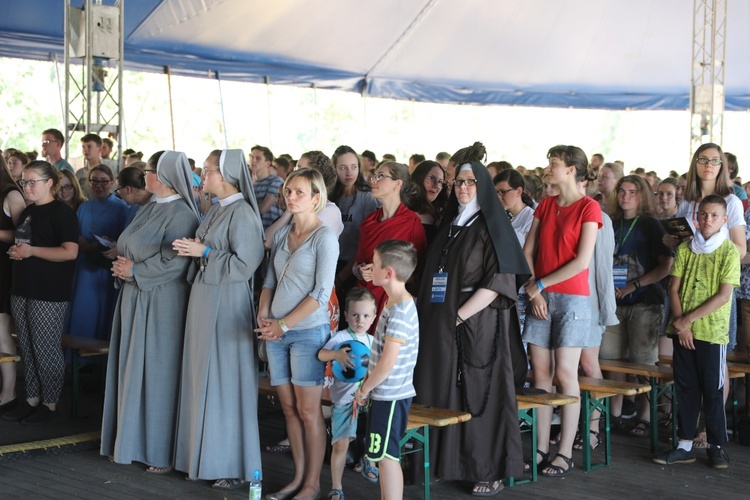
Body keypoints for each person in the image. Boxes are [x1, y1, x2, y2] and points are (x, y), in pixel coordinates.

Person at [414, 155, 530, 496]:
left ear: (482, 186)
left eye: (471, 182)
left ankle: (487, 469)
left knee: (481, 392)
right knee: (446, 388)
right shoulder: (450, 222)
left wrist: (460, 315)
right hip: (442, 320)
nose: (463, 188)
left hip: (478, 323)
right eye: (459, 182)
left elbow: (499, 280)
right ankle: (448, 463)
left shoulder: (493, 225)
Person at [100, 151, 200, 472]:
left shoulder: (182, 213)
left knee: (158, 372)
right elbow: (130, 246)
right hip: (135, 297)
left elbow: (176, 260)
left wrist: (136, 271)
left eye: (150, 171)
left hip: (161, 301)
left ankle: (159, 450)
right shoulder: (151, 207)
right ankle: (131, 441)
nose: (145, 177)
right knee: (133, 369)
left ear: (167, 175)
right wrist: (122, 265)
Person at [172, 149, 265, 490]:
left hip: (226, 301)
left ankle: (228, 461)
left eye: (208, 170)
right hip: (205, 295)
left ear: (224, 176)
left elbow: (246, 263)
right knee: (201, 375)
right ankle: (201, 456)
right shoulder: (216, 209)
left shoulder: (242, 213)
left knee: (224, 381)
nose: (202, 175)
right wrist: (195, 247)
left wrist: (206, 252)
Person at [256, 168, 338, 500]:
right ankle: (297, 479)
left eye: (299, 192)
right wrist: (264, 316)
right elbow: (269, 282)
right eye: (289, 191)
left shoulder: (325, 237)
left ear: (316, 198)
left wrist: (283, 324)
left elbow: (321, 293)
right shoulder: (284, 233)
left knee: (308, 410)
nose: (291, 197)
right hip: (275, 331)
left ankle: (312, 485)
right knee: (288, 409)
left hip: (306, 332)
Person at [522, 145, 602, 477]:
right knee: (541, 374)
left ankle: (565, 450)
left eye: (553, 164)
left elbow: (581, 262)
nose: (548, 169)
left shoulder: (589, 207)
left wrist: (539, 285)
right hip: (540, 295)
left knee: (566, 374)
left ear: (571, 169)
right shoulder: (545, 204)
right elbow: (528, 251)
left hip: (571, 299)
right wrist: (533, 288)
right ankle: (541, 447)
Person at [653, 195, 739, 469]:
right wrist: (681, 324)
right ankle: (684, 444)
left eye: (714, 216)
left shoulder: (729, 252)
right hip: (682, 331)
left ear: (724, 220)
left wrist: (687, 320)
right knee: (686, 389)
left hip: (711, 333)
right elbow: (673, 288)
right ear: (696, 217)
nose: (707, 220)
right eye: (703, 215)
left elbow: (723, 296)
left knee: (712, 390)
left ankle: (716, 446)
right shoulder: (687, 248)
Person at [2, 161, 79, 423]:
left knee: (46, 348)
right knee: (27, 346)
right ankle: (32, 399)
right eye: (24, 182)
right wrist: (18, 251)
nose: (26, 187)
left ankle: (51, 403)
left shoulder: (62, 214)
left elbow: (70, 252)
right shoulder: (27, 213)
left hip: (49, 290)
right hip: (23, 285)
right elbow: (25, 244)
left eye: (32, 182)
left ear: (49, 183)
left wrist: (32, 251)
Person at [599, 175, 673, 437]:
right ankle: (616, 414)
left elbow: (667, 265)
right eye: (622, 191)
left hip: (645, 302)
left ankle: (645, 415)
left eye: (632, 192)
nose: (626, 196)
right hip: (613, 302)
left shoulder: (651, 225)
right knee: (610, 360)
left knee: (643, 363)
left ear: (642, 196)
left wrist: (636, 284)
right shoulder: (610, 222)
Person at [354, 239, 419, 500]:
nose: (371, 266)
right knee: (383, 455)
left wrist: (364, 389)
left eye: (376, 263)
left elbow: (387, 362)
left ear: (388, 273)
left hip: (390, 396)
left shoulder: (400, 311)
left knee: (387, 456)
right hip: (387, 395)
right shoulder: (395, 303)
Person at [318, 288, 379, 500]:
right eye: (354, 315)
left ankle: (369, 461)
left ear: (373, 317)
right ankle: (336, 487)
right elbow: (321, 354)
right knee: (340, 444)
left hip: (368, 400)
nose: (359, 320)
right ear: (345, 315)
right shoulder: (341, 337)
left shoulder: (373, 342)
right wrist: (335, 354)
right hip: (344, 402)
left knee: (375, 436)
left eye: (365, 316)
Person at [354, 162, 426, 329]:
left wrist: (385, 274)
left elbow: (419, 272)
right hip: (363, 301)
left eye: (380, 176)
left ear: (398, 183)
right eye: (374, 176)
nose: (373, 181)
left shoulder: (411, 223)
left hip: (391, 302)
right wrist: (359, 271)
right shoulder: (369, 221)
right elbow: (357, 263)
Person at [64, 164, 129, 341]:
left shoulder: (122, 207)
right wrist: (79, 238)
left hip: (105, 269)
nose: (98, 186)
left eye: (103, 182)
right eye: (94, 181)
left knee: (101, 312)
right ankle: (77, 359)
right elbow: (75, 232)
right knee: (81, 310)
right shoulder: (84, 207)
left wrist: (109, 243)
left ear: (112, 183)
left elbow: (125, 238)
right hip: (84, 265)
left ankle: (96, 361)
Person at [331, 146, 380, 315]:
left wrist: (342, 277)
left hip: (355, 268)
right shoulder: (331, 197)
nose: (349, 172)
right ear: (335, 169)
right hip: (331, 265)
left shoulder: (367, 197)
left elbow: (367, 242)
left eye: (353, 167)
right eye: (343, 168)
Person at [0, 157, 25, 412]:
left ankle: (8, 392)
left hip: (3, 268)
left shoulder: (11, 194)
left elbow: (23, 234)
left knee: (1, 330)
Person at [409, 160, 448, 243]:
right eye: (431, 178)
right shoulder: (400, 207)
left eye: (440, 181)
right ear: (418, 178)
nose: (436, 185)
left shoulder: (441, 215)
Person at [250, 145, 284, 230]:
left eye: (258, 158)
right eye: (251, 157)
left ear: (267, 163)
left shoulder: (276, 181)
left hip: (271, 232)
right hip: (255, 230)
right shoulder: (251, 183)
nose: (253, 161)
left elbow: (262, 210)